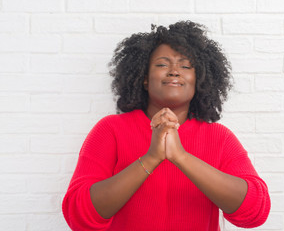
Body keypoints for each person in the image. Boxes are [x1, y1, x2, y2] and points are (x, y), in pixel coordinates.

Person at [62, 21, 270, 231]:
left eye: (186, 66)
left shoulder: (220, 137)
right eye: (162, 64)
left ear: (199, 79)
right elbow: (79, 215)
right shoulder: (110, 130)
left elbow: (255, 211)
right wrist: (151, 158)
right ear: (144, 79)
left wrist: (181, 157)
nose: (174, 72)